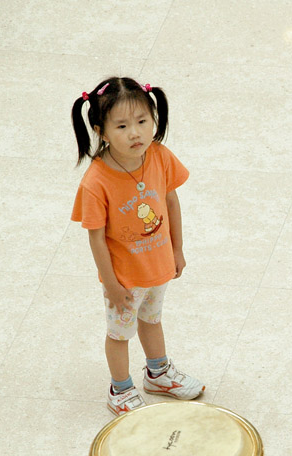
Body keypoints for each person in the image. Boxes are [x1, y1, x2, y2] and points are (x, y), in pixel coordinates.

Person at [71, 77, 204, 416]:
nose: (135, 133)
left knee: (152, 319)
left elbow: (170, 203)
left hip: (157, 267)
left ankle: (158, 373)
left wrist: (177, 250)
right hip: (125, 279)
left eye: (143, 121)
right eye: (122, 125)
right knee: (120, 333)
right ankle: (120, 389)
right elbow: (96, 236)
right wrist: (112, 284)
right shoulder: (96, 181)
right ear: (101, 130)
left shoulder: (159, 156)